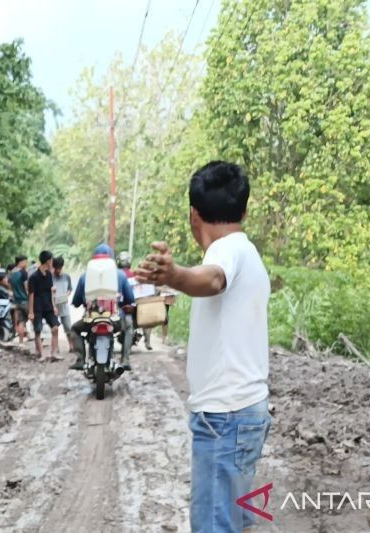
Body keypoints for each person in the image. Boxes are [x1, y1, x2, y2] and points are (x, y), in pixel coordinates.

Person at [136, 161, 271, 533]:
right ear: (243, 210)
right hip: (245, 412)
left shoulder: (226, 251)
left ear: (194, 214)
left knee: (214, 525)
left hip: (225, 418)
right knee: (232, 520)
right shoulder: (248, 252)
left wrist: (174, 275)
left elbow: (212, 281)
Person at [70, 244, 135, 370]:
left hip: (91, 320)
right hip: (114, 320)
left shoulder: (85, 276)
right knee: (128, 327)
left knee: (75, 329)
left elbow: (77, 301)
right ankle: (125, 360)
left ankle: (80, 360)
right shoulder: (121, 275)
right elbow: (130, 299)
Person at [27, 250, 62, 361]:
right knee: (38, 330)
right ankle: (40, 354)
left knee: (55, 327)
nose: (52, 262)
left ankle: (54, 353)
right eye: (51, 260)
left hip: (48, 305)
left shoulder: (49, 275)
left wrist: (54, 306)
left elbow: (50, 291)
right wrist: (31, 312)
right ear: (48, 261)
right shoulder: (33, 277)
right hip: (37, 306)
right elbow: (31, 295)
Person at [51, 256, 75, 353]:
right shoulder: (51, 277)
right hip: (54, 306)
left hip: (64, 305)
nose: (58, 270)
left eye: (59, 268)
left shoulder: (66, 277)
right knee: (54, 328)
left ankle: (71, 346)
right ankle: (55, 348)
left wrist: (67, 295)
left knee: (68, 328)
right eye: (56, 268)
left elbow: (70, 289)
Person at [10, 255, 30, 345]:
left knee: (21, 321)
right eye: (25, 262)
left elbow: (11, 288)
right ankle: (39, 340)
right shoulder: (23, 273)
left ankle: (21, 342)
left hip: (17, 301)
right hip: (25, 300)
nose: (26, 264)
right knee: (35, 318)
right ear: (21, 262)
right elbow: (27, 288)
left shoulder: (12, 273)